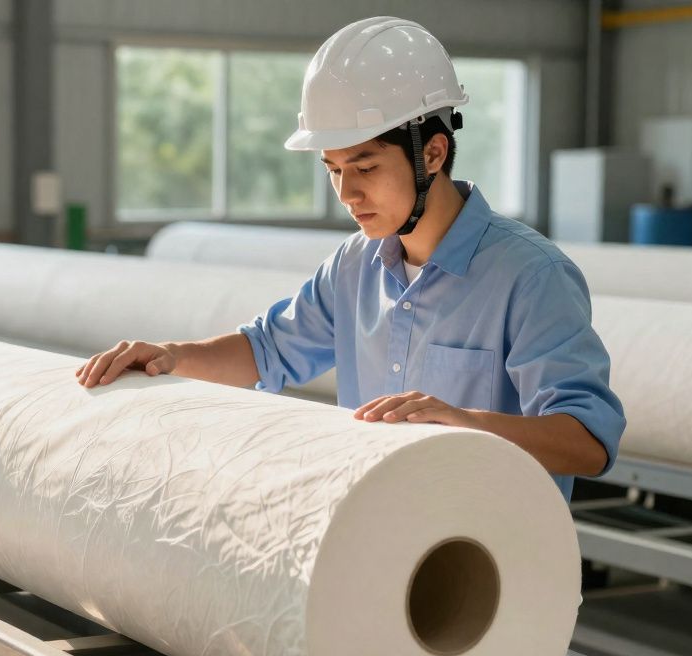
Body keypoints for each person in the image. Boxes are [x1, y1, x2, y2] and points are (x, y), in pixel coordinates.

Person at [75, 16, 624, 500]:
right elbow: (266, 350)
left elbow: (589, 441)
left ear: (433, 152)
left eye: (364, 167)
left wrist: (465, 424)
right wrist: (170, 356)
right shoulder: (354, 266)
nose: (346, 193)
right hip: (373, 536)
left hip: (487, 554)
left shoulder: (530, 276)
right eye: (332, 169)